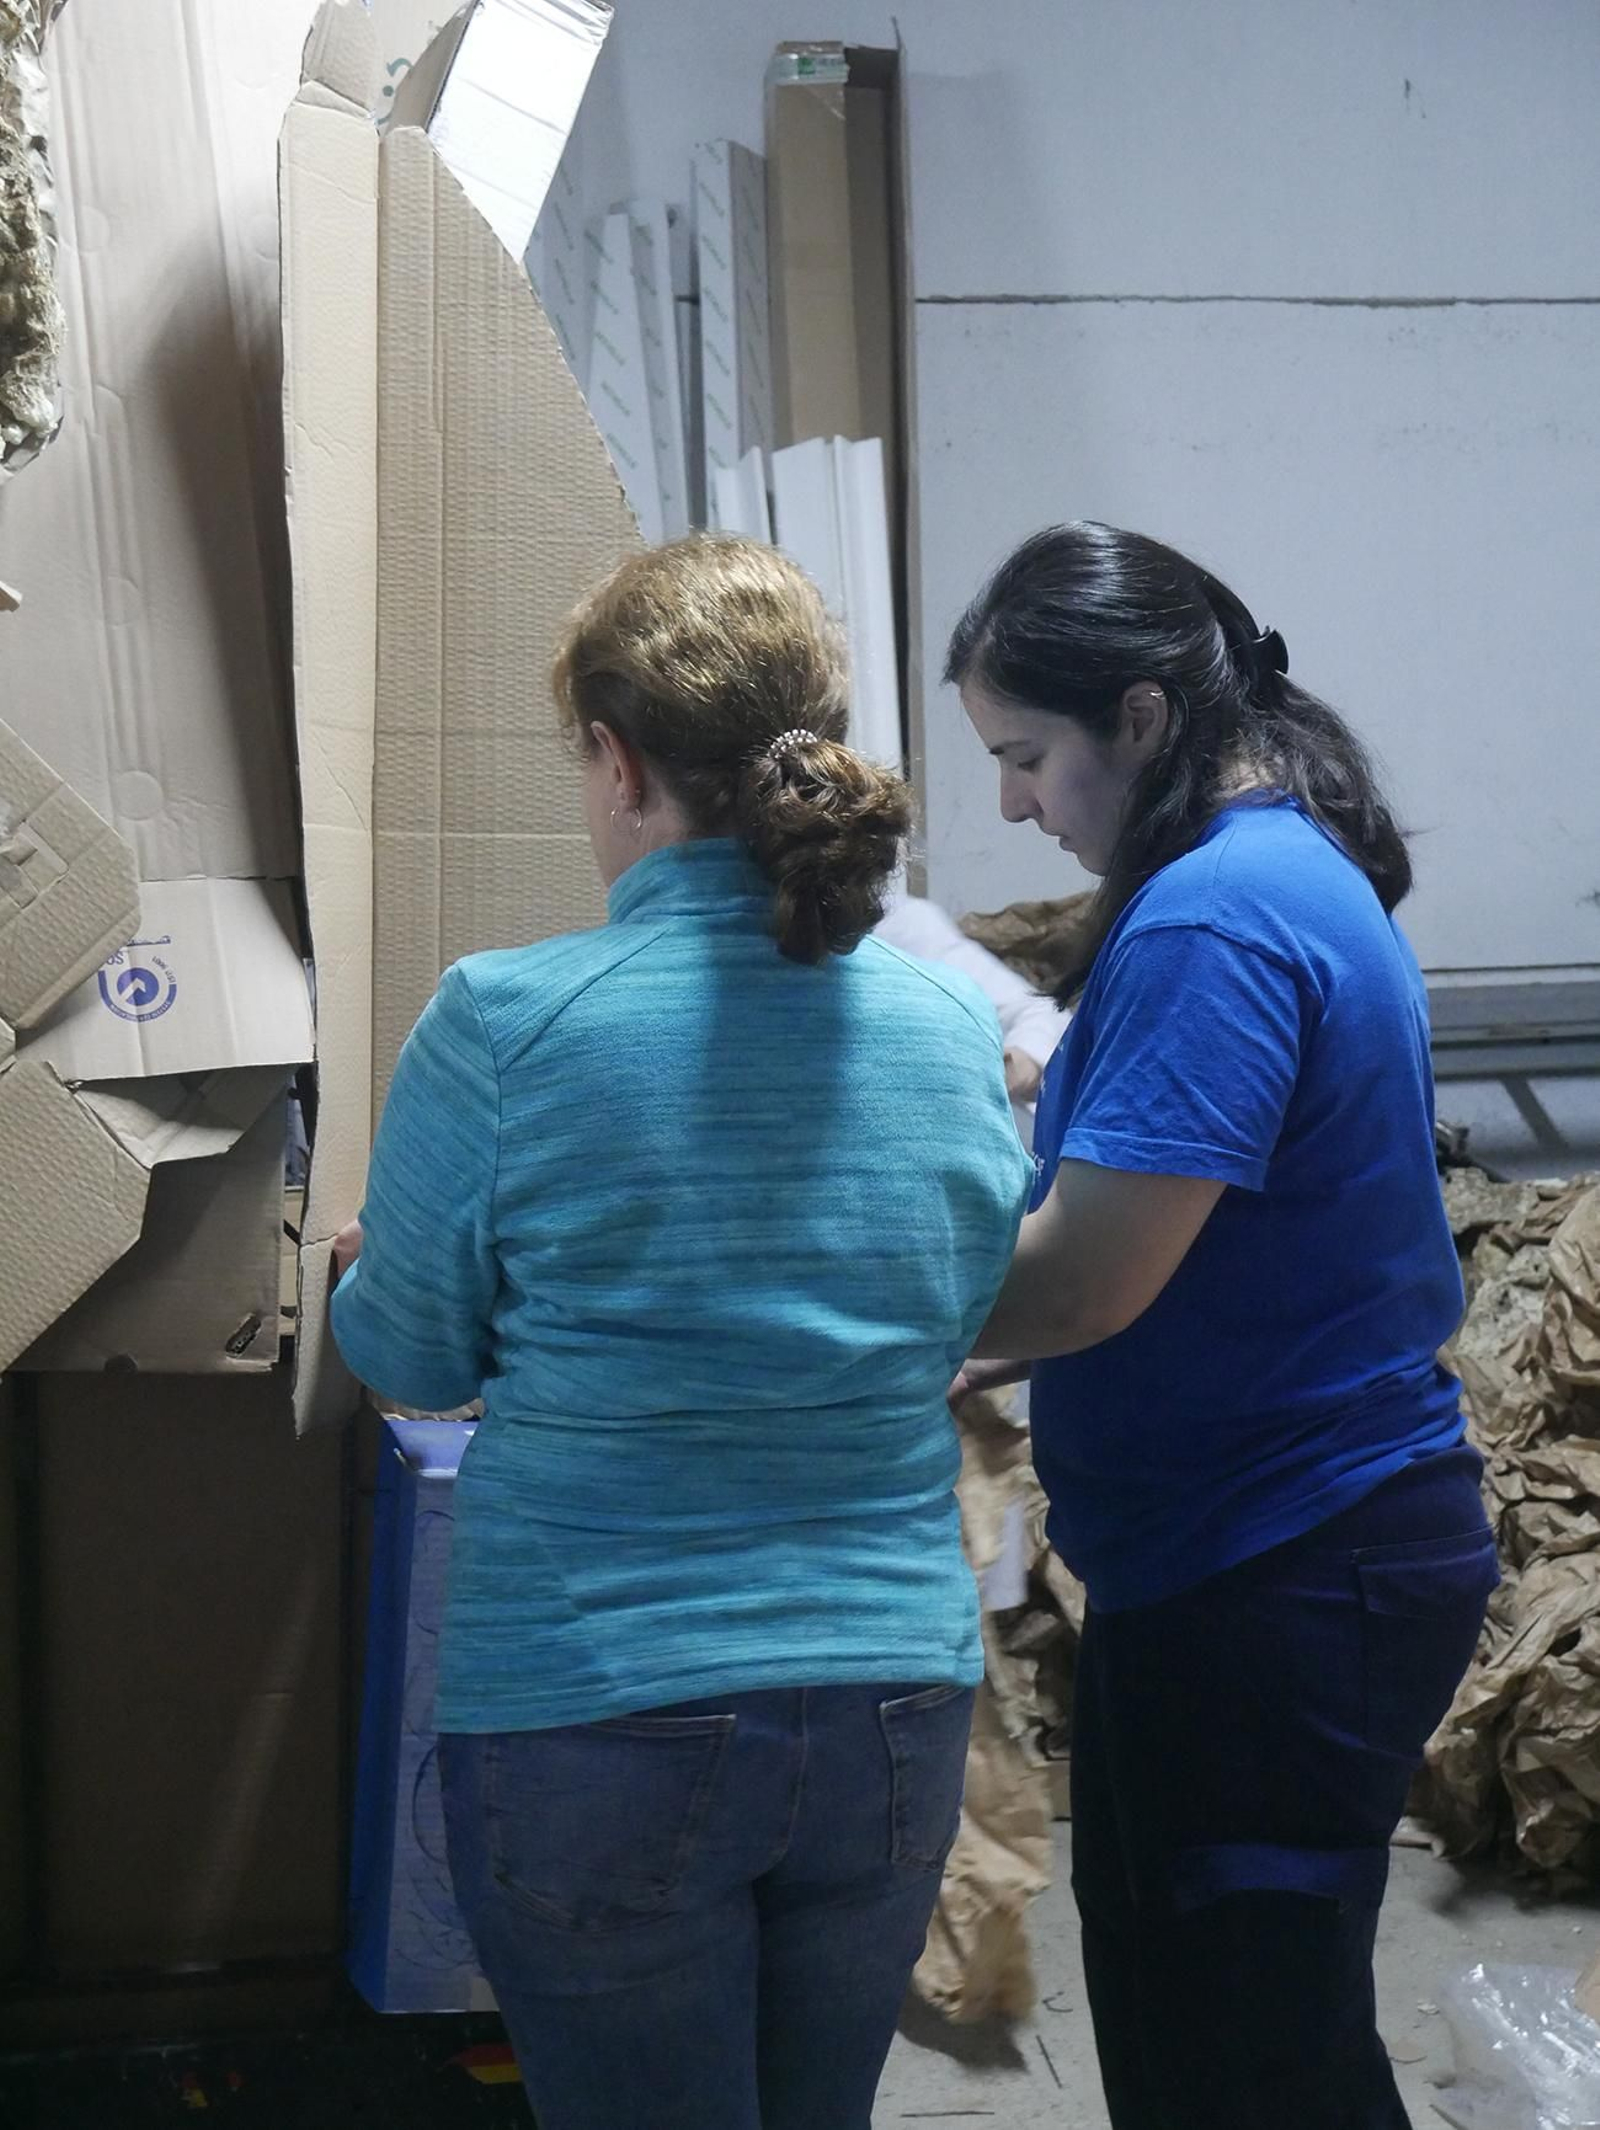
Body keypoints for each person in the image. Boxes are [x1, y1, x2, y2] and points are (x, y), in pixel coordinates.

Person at [329, 534, 1032, 2130]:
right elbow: (954, 1305)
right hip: (893, 1708)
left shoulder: (506, 1020)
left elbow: (414, 1358)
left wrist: (384, 1268)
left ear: (617, 758)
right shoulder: (942, 1028)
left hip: (599, 1704)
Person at [945, 522, 1497, 2130]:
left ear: (1137, 715)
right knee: (1240, 2029)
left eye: (1026, 754)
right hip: (1254, 1553)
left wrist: (833, 1295)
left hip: (1282, 1569)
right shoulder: (1269, 868)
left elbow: (1079, 1282)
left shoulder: (1213, 918)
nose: (1012, 804)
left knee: (1243, 2057)